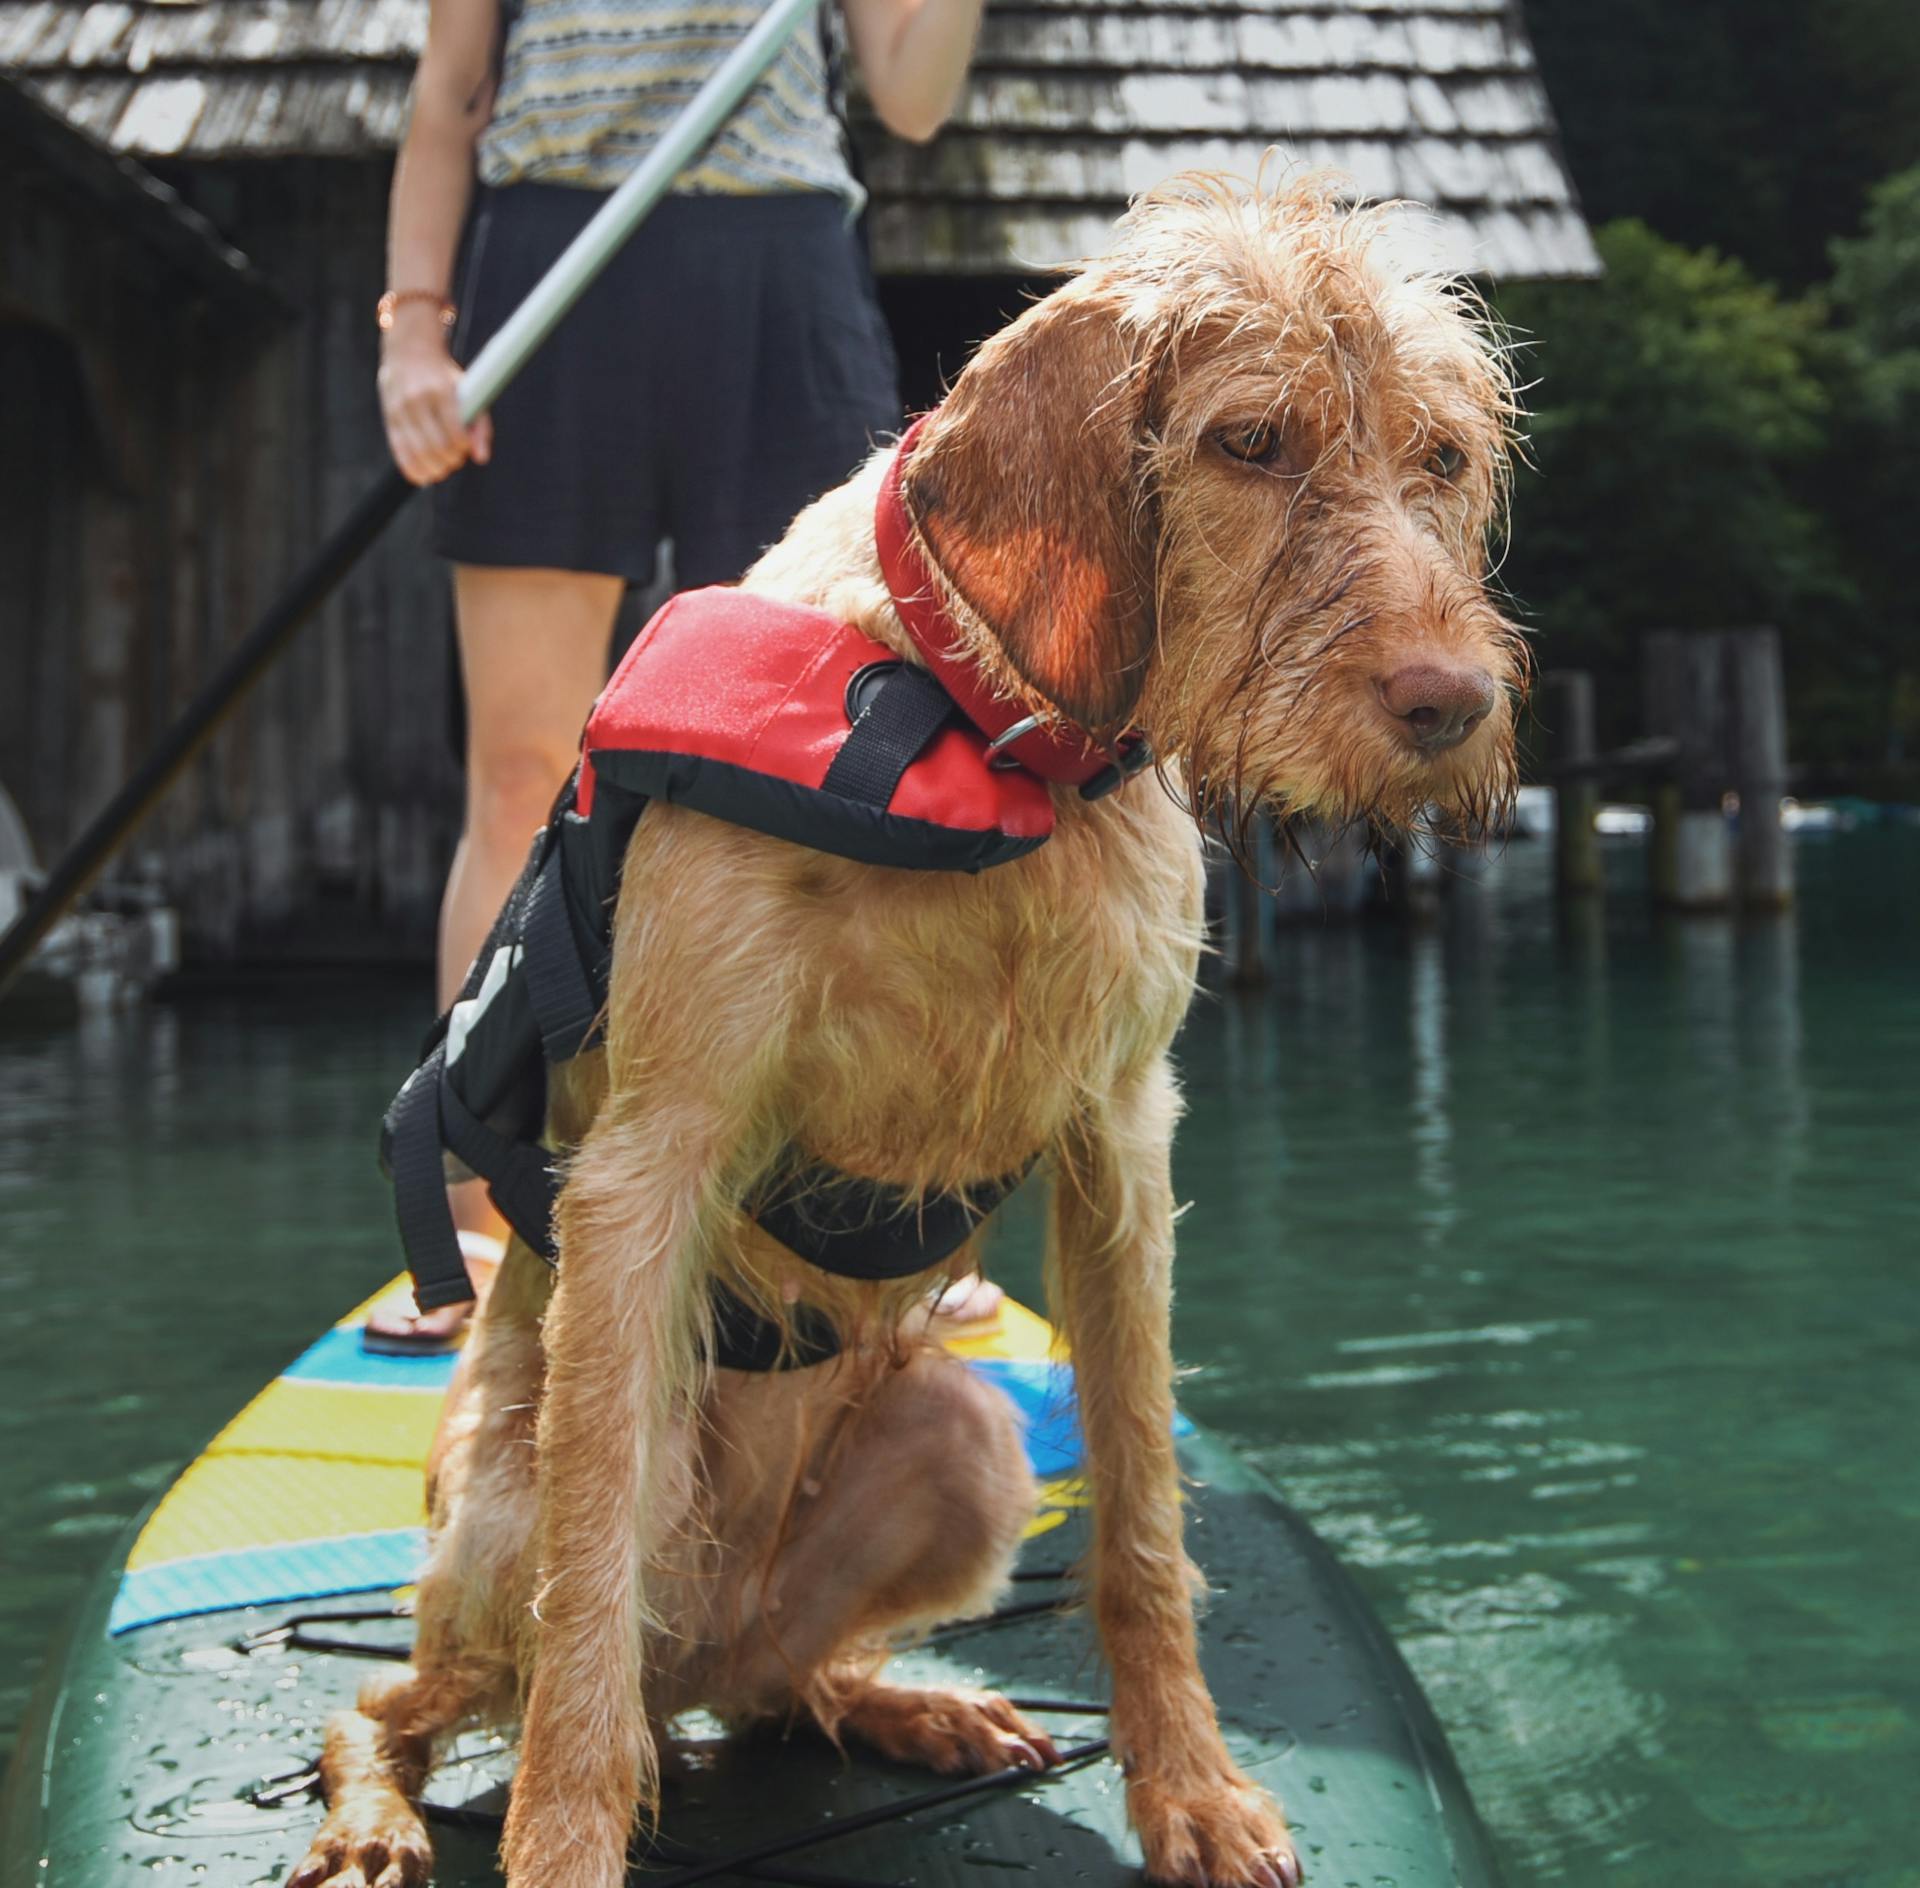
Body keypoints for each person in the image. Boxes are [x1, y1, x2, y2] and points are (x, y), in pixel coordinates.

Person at [367, 0, 998, 1344]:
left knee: (849, 764)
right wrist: (412, 334)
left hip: (778, 266)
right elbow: (452, 89)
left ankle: (882, 1218)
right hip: (552, 248)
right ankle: (485, 1233)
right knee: (524, 767)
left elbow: (915, 97)